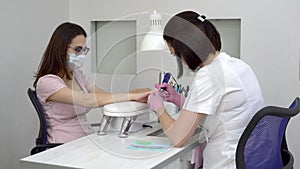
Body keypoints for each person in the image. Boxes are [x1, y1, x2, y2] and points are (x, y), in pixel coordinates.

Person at [147, 11, 264, 169]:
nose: (179, 60)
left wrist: (158, 108)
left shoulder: (209, 76)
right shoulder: (237, 65)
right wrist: (177, 98)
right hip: (251, 159)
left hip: (227, 162)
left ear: (186, 49)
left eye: (176, 54)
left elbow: (178, 138)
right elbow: (217, 110)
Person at [33, 22, 151, 144]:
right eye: (78, 50)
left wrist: (133, 95)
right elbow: (88, 100)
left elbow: (104, 97)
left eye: (84, 50)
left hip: (86, 139)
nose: (82, 55)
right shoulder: (47, 82)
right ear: (61, 49)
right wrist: (130, 96)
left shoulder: (78, 76)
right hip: (63, 145)